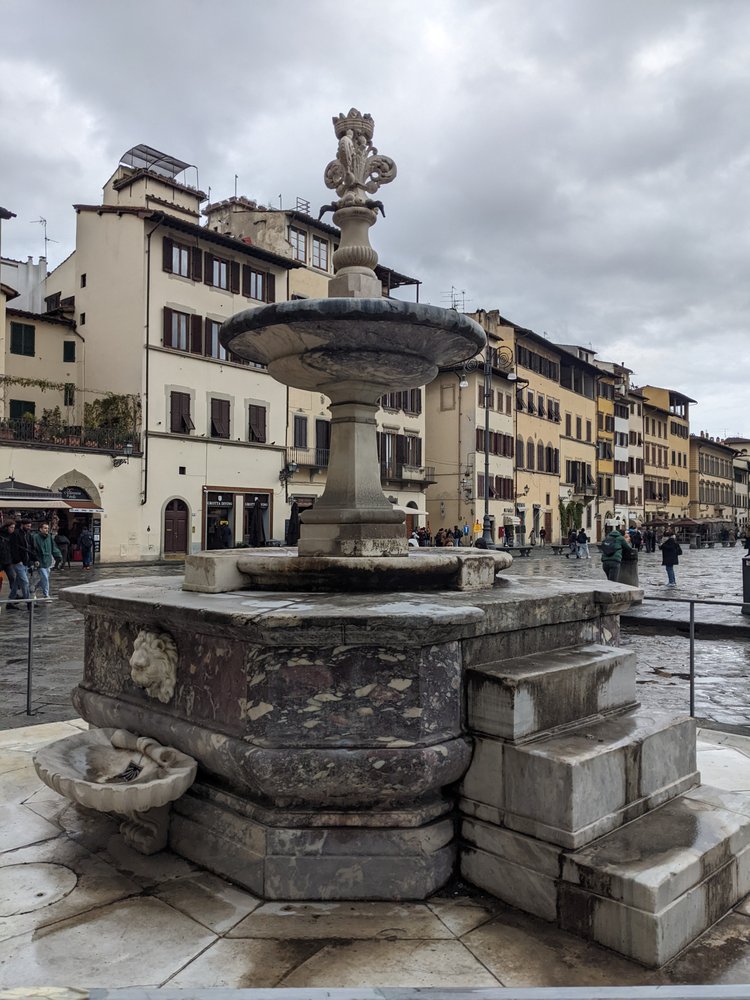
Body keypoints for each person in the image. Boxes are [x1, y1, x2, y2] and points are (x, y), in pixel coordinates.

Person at [8, 518, 34, 607]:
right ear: (22, 525)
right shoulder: (16, 534)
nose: (29, 528)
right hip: (18, 562)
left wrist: (31, 561)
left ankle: (10, 602)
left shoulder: (28, 534)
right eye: (27, 526)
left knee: (17, 583)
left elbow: (30, 548)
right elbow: (14, 549)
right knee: (25, 582)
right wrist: (18, 560)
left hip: (25, 562)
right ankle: (29, 602)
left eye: (30, 526)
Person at [31, 522, 62, 599]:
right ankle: (46, 595)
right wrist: (34, 559)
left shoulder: (49, 537)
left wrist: (58, 555)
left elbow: (53, 547)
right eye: (45, 528)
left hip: (48, 560)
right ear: (40, 529)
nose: (46, 530)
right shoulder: (35, 537)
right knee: (45, 577)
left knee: (44, 578)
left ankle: (34, 588)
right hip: (39, 561)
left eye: (47, 528)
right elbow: (33, 549)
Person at [0, 522, 17, 605]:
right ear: (7, 527)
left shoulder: (12, 536)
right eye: (11, 527)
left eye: (14, 527)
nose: (13, 529)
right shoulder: (1, 535)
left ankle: (13, 596)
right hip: (1, 561)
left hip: (8, 561)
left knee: (13, 577)